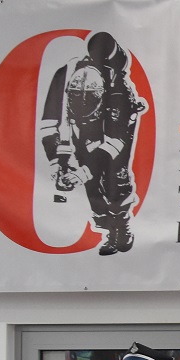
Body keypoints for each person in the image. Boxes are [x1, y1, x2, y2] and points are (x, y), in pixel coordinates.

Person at [40, 31, 148, 256]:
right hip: (81, 133)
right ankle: (108, 229)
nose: (83, 101)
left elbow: (116, 140)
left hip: (112, 130)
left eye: (90, 96)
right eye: (77, 95)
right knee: (92, 186)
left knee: (116, 176)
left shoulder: (120, 88)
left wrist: (83, 172)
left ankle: (121, 227)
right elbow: (49, 126)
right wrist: (57, 162)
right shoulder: (64, 76)